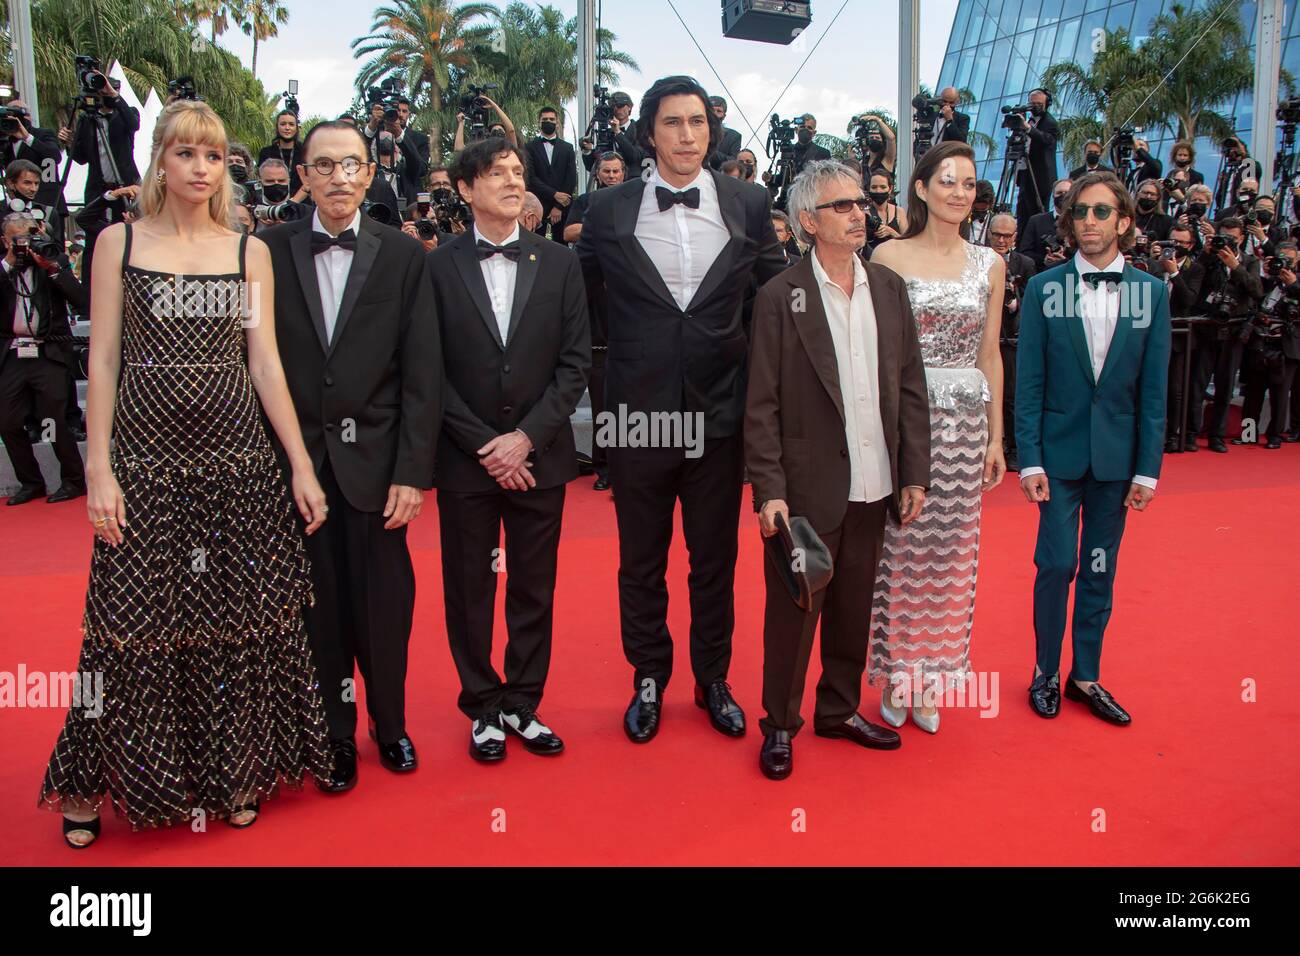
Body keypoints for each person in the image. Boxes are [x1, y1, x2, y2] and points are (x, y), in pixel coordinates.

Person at [38, 100, 333, 848]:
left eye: (212, 157)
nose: (201, 170)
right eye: (186, 155)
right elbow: (101, 357)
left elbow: (262, 362)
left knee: (232, 623)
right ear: (160, 163)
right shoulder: (118, 242)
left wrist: (298, 463)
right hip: (143, 460)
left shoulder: (248, 251)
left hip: (236, 462)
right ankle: (89, 780)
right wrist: (98, 468)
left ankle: (232, 773)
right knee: (130, 625)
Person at [576, 75, 786, 744]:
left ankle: (713, 678)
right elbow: (577, 299)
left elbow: (775, 300)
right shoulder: (607, 209)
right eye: (673, 122)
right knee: (641, 559)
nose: (688, 135)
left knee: (713, 560)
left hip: (719, 416)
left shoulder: (750, 204)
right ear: (649, 133)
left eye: (698, 122)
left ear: (712, 130)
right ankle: (648, 676)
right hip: (636, 416)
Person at [259, 119, 442, 791]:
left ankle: (389, 726)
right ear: (301, 174)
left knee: (385, 609)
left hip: (378, 467)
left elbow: (423, 373)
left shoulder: (403, 255)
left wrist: (413, 473)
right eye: (325, 165)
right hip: (298, 469)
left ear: (371, 173)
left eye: (352, 165)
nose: (339, 177)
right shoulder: (266, 251)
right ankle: (335, 736)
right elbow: (260, 363)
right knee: (318, 611)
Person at [745, 160, 931, 780]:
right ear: (806, 221)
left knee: (854, 607)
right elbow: (762, 402)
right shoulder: (780, 296)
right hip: (805, 488)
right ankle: (780, 723)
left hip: (875, 482)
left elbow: (910, 386)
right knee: (797, 611)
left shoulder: (887, 287)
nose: (860, 213)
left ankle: (840, 711)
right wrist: (769, 488)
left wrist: (914, 472)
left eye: (860, 203)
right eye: (843, 206)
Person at [427, 137, 589, 761]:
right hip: (466, 462)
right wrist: (486, 445)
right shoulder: (437, 267)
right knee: (470, 589)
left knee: (533, 587)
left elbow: (574, 364)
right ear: (466, 189)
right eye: (496, 173)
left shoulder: (559, 263)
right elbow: (426, 369)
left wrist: (524, 439)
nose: (512, 181)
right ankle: (482, 705)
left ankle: (523, 703)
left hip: (539, 456)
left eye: (518, 171)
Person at [1017, 171, 1171, 726]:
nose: (1089, 222)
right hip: (1056, 460)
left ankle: (1085, 676)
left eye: (1102, 212)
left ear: (1124, 223)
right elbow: (1028, 381)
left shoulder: (1151, 293)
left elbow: (1155, 391)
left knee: (1100, 569)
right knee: (1057, 563)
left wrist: (1147, 470)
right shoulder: (1044, 288)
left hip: (1117, 461)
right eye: (1081, 212)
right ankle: (1044, 672)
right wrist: (1028, 457)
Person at [866, 141, 1006, 734]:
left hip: (967, 425)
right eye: (947, 180)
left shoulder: (990, 264)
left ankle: (932, 680)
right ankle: (897, 673)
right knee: (898, 551)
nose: (959, 192)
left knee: (951, 558)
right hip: (907, 418)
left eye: (969, 183)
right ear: (920, 188)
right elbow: (877, 350)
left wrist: (997, 437)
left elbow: (991, 352)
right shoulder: (889, 256)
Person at [0, 212, 86, 504]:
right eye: (17, 240)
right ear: (5, 240)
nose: (24, 245)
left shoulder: (53, 261)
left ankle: (73, 480)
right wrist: (9, 263)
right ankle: (30, 482)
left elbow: (82, 300)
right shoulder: (4, 268)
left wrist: (50, 268)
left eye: (28, 238)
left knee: (55, 420)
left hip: (48, 352)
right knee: (8, 421)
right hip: (13, 353)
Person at [564, 152, 625, 492]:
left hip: (627, 326)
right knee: (602, 403)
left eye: (617, 170)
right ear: (598, 173)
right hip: (595, 328)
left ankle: (624, 466)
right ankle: (603, 466)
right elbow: (569, 231)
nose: (613, 175)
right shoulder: (586, 202)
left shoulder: (635, 201)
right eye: (607, 170)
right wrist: (600, 227)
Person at [61, 72, 141, 307]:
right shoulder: (87, 119)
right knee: (95, 239)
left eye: (107, 89)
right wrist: (69, 142)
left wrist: (112, 94)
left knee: (128, 235)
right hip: (98, 187)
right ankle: (89, 302)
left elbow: (133, 124)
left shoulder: (127, 114)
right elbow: (82, 158)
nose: (102, 93)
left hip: (126, 184)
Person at [1192, 216, 1262, 452]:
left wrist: (1235, 266)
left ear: (1242, 238)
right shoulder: (1208, 258)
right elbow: (1195, 285)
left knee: (1225, 387)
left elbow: (1256, 290)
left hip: (1234, 332)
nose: (1228, 242)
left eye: (1233, 237)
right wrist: (1206, 253)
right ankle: (1191, 433)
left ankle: (1217, 436)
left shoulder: (1250, 262)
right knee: (1197, 385)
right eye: (1224, 236)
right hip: (1208, 329)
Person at [989, 212, 1036, 471]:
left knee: (1012, 397)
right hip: (988, 338)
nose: (1001, 240)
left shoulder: (1025, 264)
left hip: (1014, 338)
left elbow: (1033, 297)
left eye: (1006, 236)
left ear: (1015, 237)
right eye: (997, 234)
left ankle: (1016, 450)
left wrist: (1017, 302)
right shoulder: (980, 260)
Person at [526, 106, 577, 243]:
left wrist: (558, 206)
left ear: (557, 122)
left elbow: (571, 178)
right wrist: (554, 194)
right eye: (545, 119)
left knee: (562, 246)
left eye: (551, 119)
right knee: (535, 245)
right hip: (537, 204)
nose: (548, 121)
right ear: (539, 122)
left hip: (562, 207)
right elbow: (531, 178)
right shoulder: (529, 147)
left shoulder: (567, 148)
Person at [1, 101, 62, 208]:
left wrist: (27, 138)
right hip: (16, 205)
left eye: (22, 115)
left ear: (29, 117)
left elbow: (55, 156)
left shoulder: (43, 134)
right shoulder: (6, 140)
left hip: (47, 204)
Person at [1013, 89, 1058, 228]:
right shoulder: (1028, 120)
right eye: (1032, 104)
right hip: (1025, 173)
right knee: (1022, 212)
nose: (1034, 107)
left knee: (1036, 214)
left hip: (1040, 177)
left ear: (1047, 103)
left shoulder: (1050, 122)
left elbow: (1046, 140)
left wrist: (1028, 129)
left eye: (1038, 104)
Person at [1016, 177, 1072, 270]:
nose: (1063, 196)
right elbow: (1024, 252)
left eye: (1067, 193)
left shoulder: (1080, 222)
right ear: (1053, 196)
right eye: (1059, 193)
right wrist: (1044, 259)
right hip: (1042, 275)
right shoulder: (1036, 221)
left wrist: (1066, 260)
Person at [257, 109, 304, 195]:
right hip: (273, 202)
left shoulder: (305, 152)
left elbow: (309, 182)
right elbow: (262, 180)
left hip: (302, 203)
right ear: (277, 127)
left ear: (296, 128)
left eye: (291, 124)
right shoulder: (266, 153)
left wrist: (294, 201)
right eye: (283, 124)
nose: (287, 128)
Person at [866, 170, 906, 250]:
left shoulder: (899, 212)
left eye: (883, 187)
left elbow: (908, 242)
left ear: (890, 188)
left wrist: (891, 232)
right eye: (874, 187)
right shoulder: (864, 214)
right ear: (869, 189)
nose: (878, 191)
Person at [708, 95, 743, 168]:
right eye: (712, 110)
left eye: (719, 111)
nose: (714, 114)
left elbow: (733, 161)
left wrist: (710, 153)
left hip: (718, 177)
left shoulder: (734, 136)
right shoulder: (691, 132)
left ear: (724, 116)